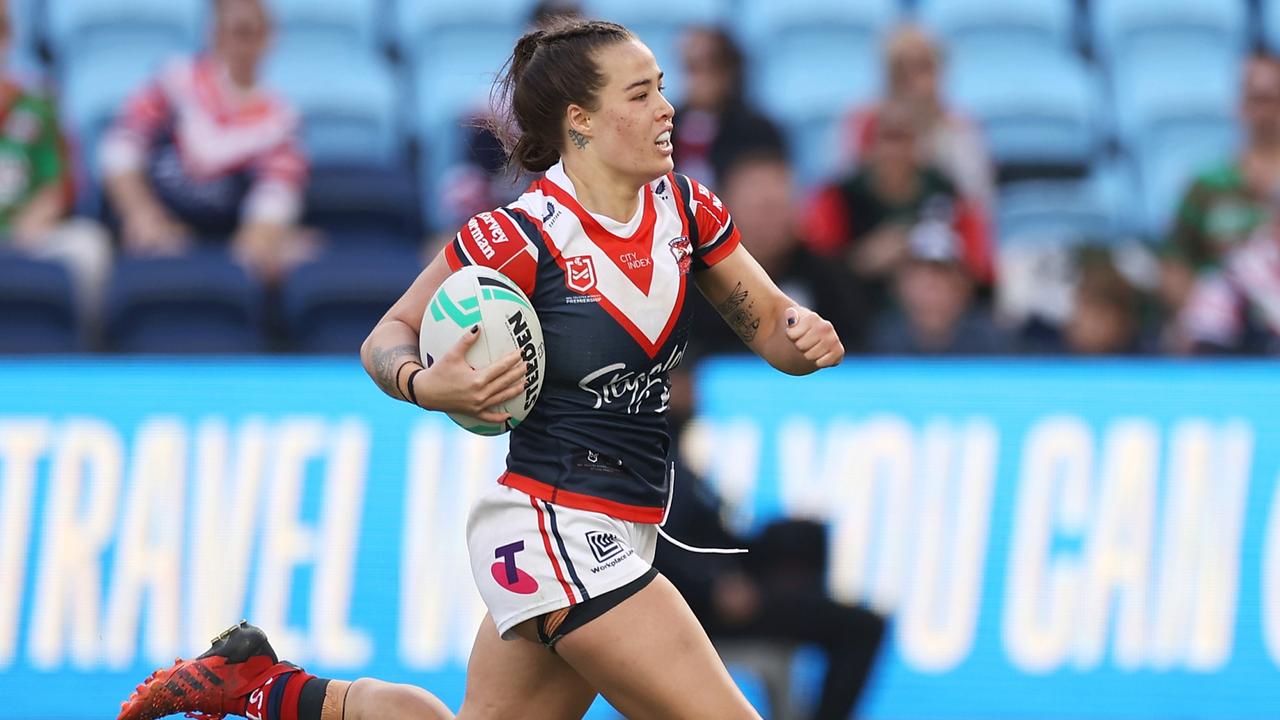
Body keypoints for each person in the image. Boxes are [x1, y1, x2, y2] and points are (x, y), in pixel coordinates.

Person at [117, 17, 844, 720]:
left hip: (623, 527)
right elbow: (387, 336)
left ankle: (257, 684)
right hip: (555, 527)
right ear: (579, 120)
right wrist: (424, 383)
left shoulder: (689, 210)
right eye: (641, 93)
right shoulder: (520, 234)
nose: (667, 108)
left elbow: (775, 328)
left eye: (661, 87)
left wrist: (803, 333)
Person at [99, 0, 313, 284]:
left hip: (223, 241)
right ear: (213, 33)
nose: (241, 45)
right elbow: (121, 148)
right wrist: (141, 214)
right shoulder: (173, 81)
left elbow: (275, 197)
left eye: (251, 32)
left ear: (269, 38)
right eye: (233, 31)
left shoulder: (281, 120)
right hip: (154, 230)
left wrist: (254, 246)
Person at [805, 99, 994, 319]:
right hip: (855, 320)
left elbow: (978, 270)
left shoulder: (948, 192)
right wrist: (861, 262)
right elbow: (815, 270)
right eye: (886, 139)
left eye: (903, 139)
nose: (894, 151)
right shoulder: (839, 197)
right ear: (868, 146)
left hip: (936, 320)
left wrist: (926, 269)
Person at [685, 148, 868, 359]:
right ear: (722, 206)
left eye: (778, 206)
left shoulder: (831, 277)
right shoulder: (693, 279)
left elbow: (856, 354)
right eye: (760, 208)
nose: (769, 221)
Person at [0, 0, 111, 335]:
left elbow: (60, 183)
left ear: (7, 37)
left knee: (89, 246)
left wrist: (35, 218)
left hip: (27, 233)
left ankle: (87, 348)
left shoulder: (37, 102)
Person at [1162, 53, 1280, 321]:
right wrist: (1202, 314)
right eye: (1257, 99)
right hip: (1222, 336)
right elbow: (1175, 264)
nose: (1267, 112)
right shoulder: (1207, 185)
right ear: (1240, 104)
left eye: (1274, 98)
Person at [840, 25, 995, 208]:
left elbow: (975, 203)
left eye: (922, 69)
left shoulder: (960, 131)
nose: (912, 81)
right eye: (901, 71)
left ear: (940, 74)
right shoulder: (860, 125)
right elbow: (841, 197)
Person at [870, 215, 1007, 355]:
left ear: (963, 286)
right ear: (901, 286)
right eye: (922, 280)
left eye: (943, 279)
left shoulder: (990, 341)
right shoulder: (882, 339)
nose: (932, 292)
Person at [670, 26, 786, 189]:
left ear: (727, 72)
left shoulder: (757, 132)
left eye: (704, 67)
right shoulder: (663, 126)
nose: (694, 80)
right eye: (689, 68)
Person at [1178, 223, 1280, 355]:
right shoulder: (1250, 257)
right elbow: (1271, 306)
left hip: (1234, 337)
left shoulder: (1269, 258)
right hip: (1212, 337)